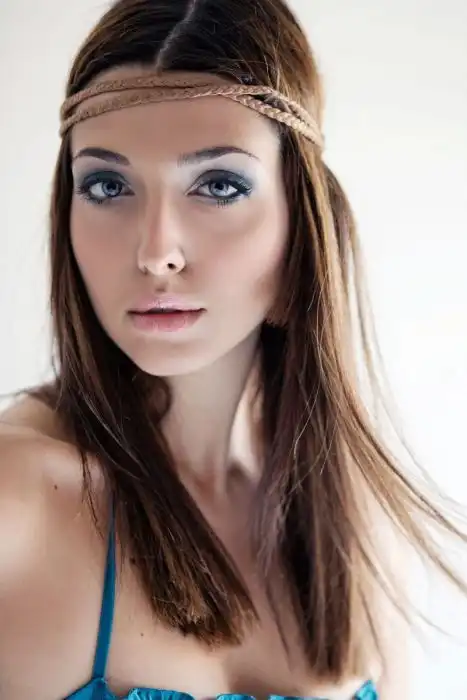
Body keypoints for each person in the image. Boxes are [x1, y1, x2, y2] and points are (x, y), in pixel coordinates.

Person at [0, 0, 465, 698]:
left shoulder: (355, 526)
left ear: (300, 221)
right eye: (107, 185)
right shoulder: (18, 498)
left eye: (218, 185)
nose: (156, 250)